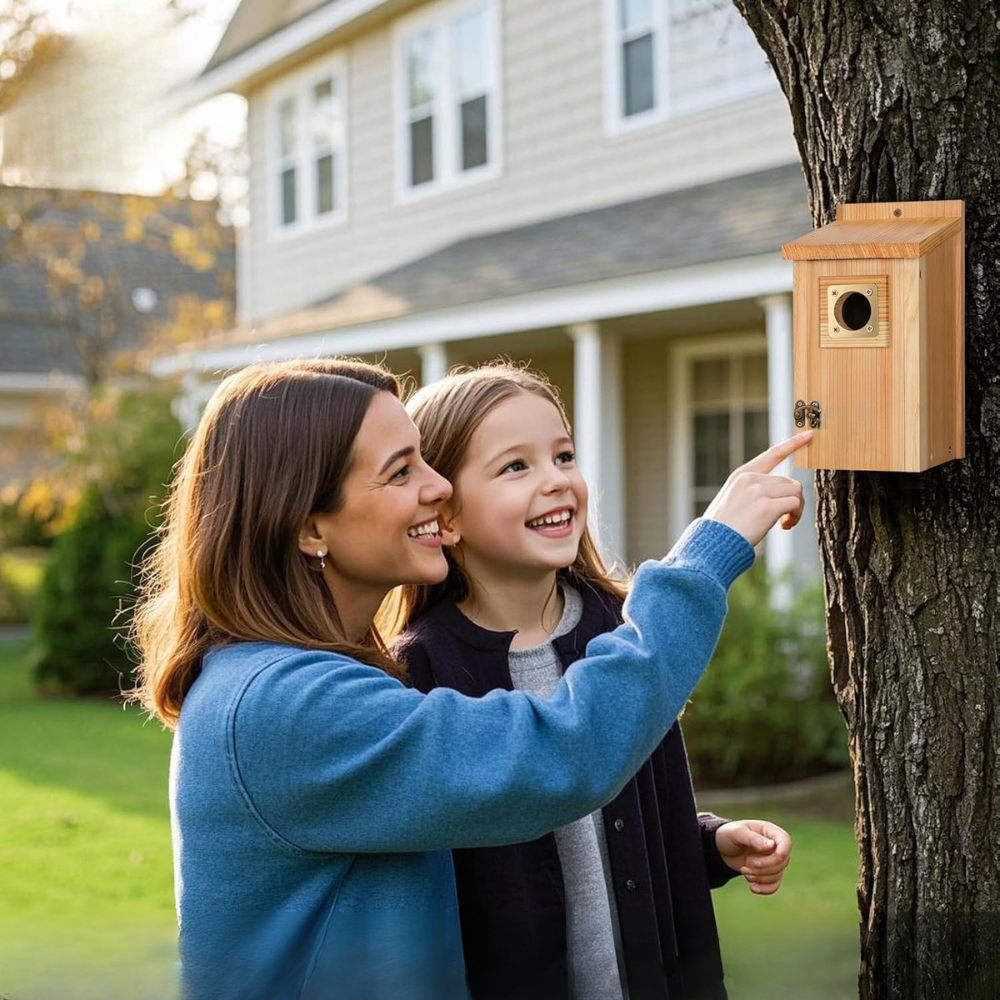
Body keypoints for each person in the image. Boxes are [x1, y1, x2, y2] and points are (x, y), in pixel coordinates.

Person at [130, 357, 810, 1000]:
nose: (438, 488)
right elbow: (561, 753)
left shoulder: (304, 680)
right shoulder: (286, 706)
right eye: (401, 472)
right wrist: (704, 558)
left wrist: (695, 845)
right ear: (311, 527)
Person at [383, 363, 794, 1000]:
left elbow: (627, 815)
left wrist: (708, 843)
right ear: (448, 515)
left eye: (563, 454)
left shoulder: (625, 630)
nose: (556, 481)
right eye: (515, 467)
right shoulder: (418, 672)